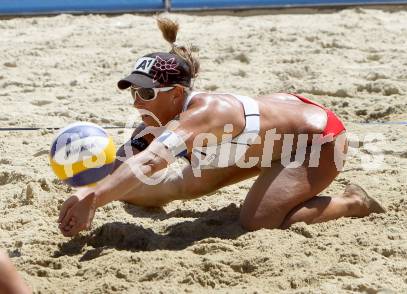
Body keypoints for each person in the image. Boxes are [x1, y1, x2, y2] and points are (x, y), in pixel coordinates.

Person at [58, 17, 385, 237]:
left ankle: (352, 202)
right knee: (169, 188)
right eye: (133, 92)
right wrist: (89, 192)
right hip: (270, 134)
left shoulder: (203, 113)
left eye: (146, 93)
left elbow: (150, 161)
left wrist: (94, 199)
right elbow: (132, 162)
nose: (136, 102)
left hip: (320, 139)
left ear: (175, 94)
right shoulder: (161, 118)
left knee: (257, 221)